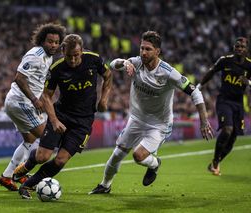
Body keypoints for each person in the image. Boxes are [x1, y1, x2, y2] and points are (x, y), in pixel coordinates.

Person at [89, 31, 214, 194]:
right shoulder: (135, 62)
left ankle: (155, 164)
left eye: (148, 49)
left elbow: (195, 92)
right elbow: (112, 64)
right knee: (117, 153)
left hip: (159, 124)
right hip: (136, 119)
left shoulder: (168, 73)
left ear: (157, 51)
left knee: (138, 156)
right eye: (141, 48)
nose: (143, 52)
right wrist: (124, 62)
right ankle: (105, 185)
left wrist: (204, 121)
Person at [12, 34, 112, 199]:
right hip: (61, 115)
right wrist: (54, 120)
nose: (72, 60)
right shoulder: (57, 68)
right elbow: (46, 96)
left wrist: (104, 99)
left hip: (83, 122)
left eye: (76, 55)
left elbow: (108, 76)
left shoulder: (94, 60)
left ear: (82, 51)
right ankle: (26, 166)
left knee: (60, 160)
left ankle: (27, 185)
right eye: (69, 56)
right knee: (42, 156)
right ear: (63, 51)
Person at [0, 23, 66, 191]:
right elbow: (19, 78)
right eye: (50, 41)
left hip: (20, 103)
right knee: (47, 138)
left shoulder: (49, 58)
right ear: (42, 40)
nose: (54, 45)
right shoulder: (35, 54)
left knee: (30, 140)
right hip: (21, 102)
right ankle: (21, 175)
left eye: (56, 42)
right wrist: (35, 99)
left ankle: (7, 176)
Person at [198, 37, 251, 176]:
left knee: (233, 138)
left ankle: (215, 162)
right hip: (224, 101)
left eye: (242, 47)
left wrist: (249, 82)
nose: (239, 49)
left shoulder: (249, 65)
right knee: (227, 130)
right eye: (237, 46)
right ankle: (215, 161)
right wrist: (198, 87)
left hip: (238, 104)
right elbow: (211, 72)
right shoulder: (225, 60)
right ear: (234, 47)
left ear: (246, 50)